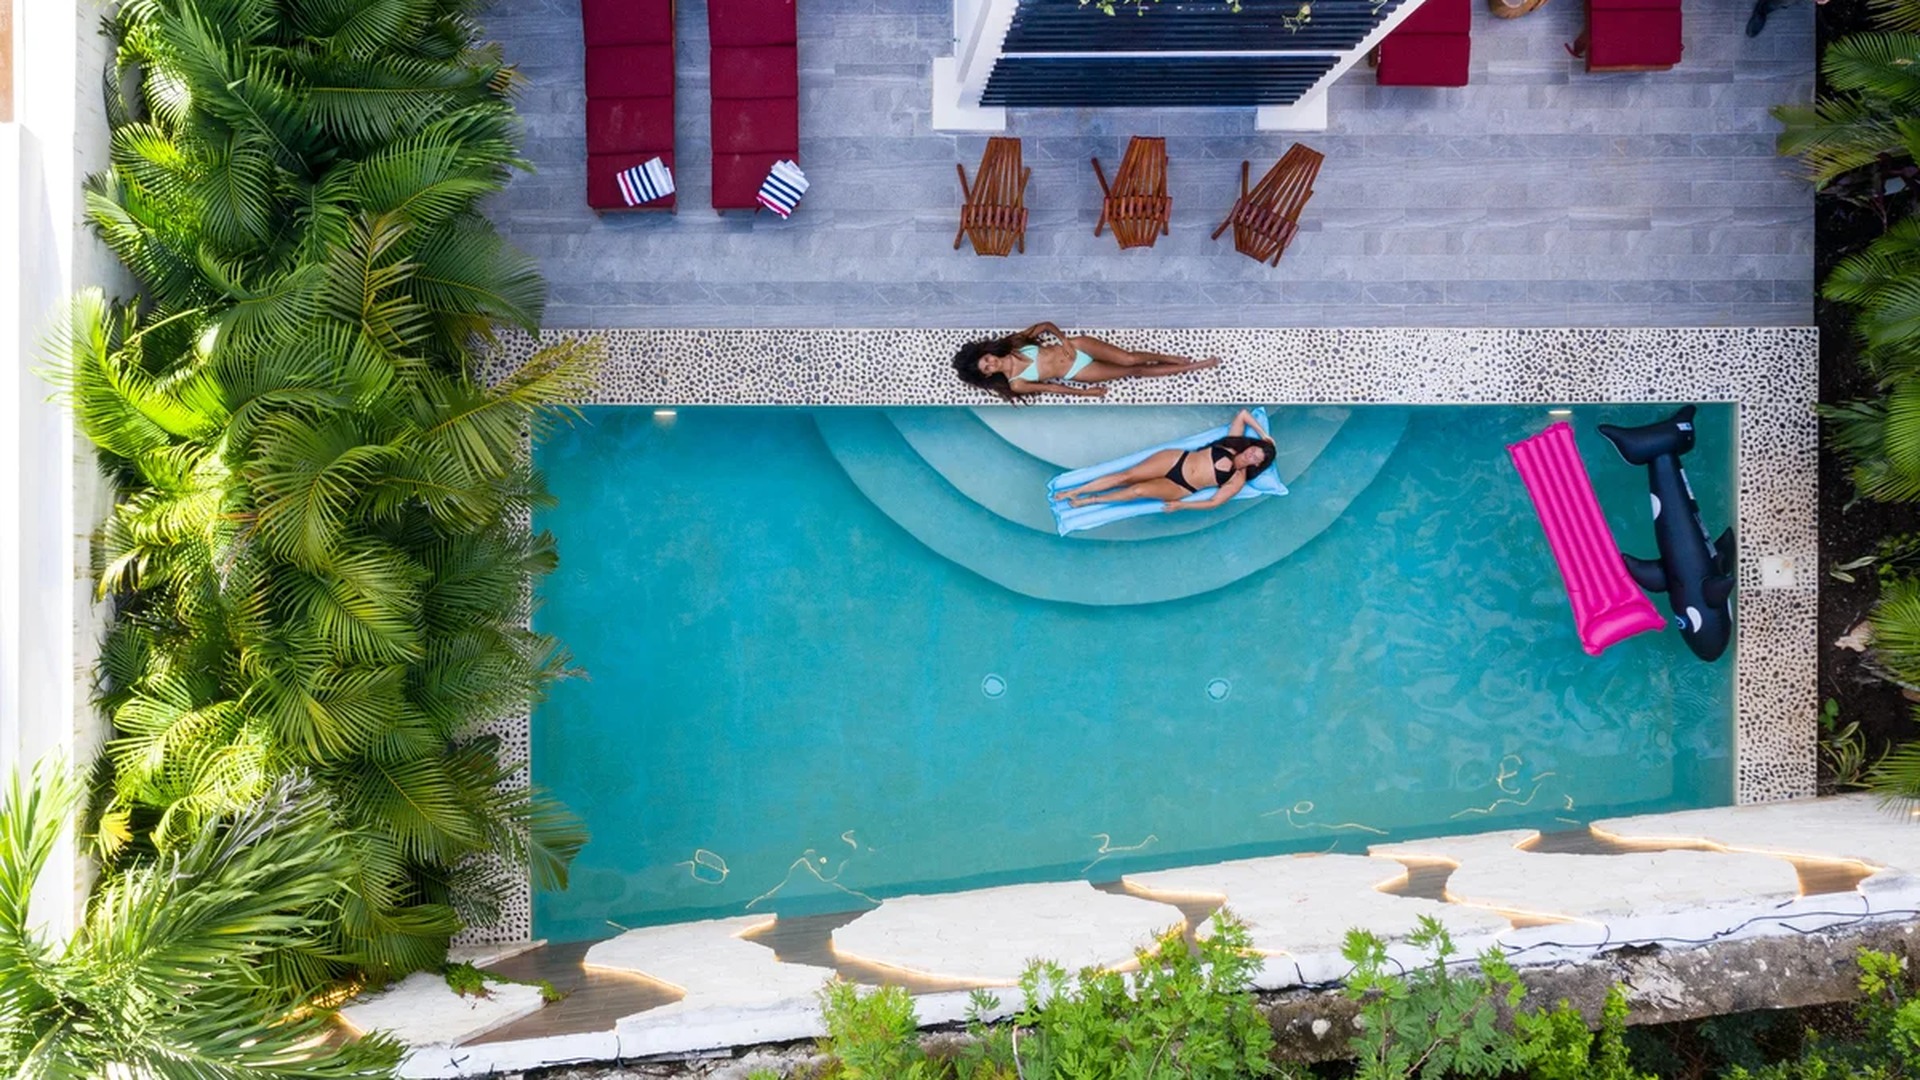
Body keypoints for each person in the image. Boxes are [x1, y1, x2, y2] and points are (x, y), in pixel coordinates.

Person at [1059, 409, 1277, 513]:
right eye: (1254, 450)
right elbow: (1243, 415)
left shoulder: (1238, 479)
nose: (1251, 455)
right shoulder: (1233, 443)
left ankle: (1090, 501)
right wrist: (1264, 435)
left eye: (1256, 458)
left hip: (1182, 486)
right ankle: (1076, 492)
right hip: (1176, 460)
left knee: (1138, 491)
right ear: (1251, 446)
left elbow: (1214, 502)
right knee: (1126, 476)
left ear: (1257, 465)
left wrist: (1182, 505)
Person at [951, 322, 1219, 402]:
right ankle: (1193, 366)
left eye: (986, 359)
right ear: (986, 376)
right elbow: (1053, 388)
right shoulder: (1017, 384)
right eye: (986, 368)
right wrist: (1085, 393)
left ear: (987, 353)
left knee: (1131, 357)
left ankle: (1166, 357)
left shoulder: (1013, 344)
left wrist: (1065, 340)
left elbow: (1044, 325)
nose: (990, 364)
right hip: (1079, 371)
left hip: (1078, 347)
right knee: (1134, 370)